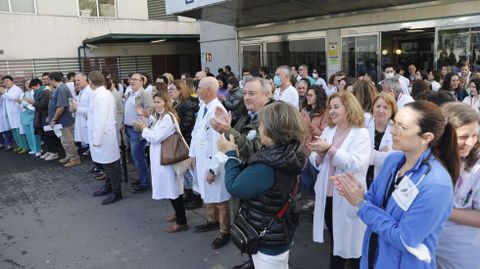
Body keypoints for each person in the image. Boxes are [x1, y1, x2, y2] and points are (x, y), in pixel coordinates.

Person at [333, 101, 459, 269]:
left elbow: (404, 238)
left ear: (427, 137)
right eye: (395, 123)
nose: (393, 131)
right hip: (373, 257)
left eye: (402, 127)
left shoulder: (436, 184)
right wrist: (358, 193)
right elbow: (371, 202)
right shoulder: (393, 161)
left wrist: (360, 203)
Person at [218, 101, 307, 269]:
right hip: (281, 232)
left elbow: (234, 187)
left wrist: (230, 155)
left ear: (273, 130)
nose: (259, 129)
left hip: (269, 241)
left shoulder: (267, 165)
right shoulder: (290, 152)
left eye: (262, 125)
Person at [309, 91, 371, 269]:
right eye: (330, 107)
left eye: (336, 107)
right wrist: (320, 155)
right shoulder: (329, 130)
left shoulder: (361, 134)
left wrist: (329, 149)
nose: (331, 111)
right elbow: (316, 161)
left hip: (348, 196)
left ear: (349, 108)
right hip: (328, 195)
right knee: (335, 241)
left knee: (353, 244)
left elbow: (355, 164)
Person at [133, 91, 188, 232]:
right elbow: (155, 127)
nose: (156, 104)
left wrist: (143, 129)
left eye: (159, 102)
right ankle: (178, 215)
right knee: (172, 188)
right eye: (155, 101)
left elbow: (156, 137)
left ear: (166, 102)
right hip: (161, 157)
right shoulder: (160, 116)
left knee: (173, 189)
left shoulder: (168, 118)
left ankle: (182, 222)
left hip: (167, 159)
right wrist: (146, 117)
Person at [189, 77, 231, 249]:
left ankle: (224, 231)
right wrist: (192, 155)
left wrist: (214, 170)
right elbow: (196, 132)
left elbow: (220, 146)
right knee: (207, 194)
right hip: (201, 159)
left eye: (198, 87)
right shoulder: (204, 107)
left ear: (208, 90)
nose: (196, 90)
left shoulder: (217, 110)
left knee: (220, 199)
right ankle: (212, 220)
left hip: (214, 163)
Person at [437, 102, 480, 269]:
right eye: (462, 137)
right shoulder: (432, 159)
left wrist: (442, 210)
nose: (469, 143)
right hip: (431, 248)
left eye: (474, 136)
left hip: (463, 255)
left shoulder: (476, 168)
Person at [88, 71, 123, 205]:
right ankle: (109, 187)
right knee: (108, 165)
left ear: (91, 82)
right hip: (105, 135)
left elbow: (100, 121)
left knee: (110, 165)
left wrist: (96, 140)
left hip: (103, 136)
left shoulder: (101, 96)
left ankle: (116, 192)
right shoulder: (103, 94)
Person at [168, 79, 202, 210]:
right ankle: (190, 195)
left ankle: (196, 198)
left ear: (180, 90)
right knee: (185, 171)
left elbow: (187, 125)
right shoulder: (177, 105)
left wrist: (173, 129)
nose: (169, 91)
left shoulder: (187, 105)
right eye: (169, 89)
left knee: (190, 172)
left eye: (172, 89)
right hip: (182, 141)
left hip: (187, 142)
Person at [124, 73, 154, 192]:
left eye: (135, 80)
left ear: (142, 81)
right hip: (129, 128)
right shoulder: (130, 93)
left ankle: (145, 182)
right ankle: (143, 178)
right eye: (131, 79)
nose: (132, 81)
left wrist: (143, 117)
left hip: (137, 130)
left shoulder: (145, 94)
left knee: (138, 156)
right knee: (135, 156)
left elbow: (150, 112)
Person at [47, 72, 81, 167]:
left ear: (53, 80)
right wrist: (50, 116)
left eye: (49, 80)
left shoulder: (61, 88)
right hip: (60, 120)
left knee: (68, 141)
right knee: (64, 140)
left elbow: (61, 107)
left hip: (63, 120)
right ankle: (69, 156)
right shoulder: (60, 88)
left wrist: (53, 119)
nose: (49, 83)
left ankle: (75, 158)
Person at [365, 93, 397, 189]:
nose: (381, 110)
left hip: (382, 180)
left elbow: (388, 160)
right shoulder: (364, 123)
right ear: (373, 108)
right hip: (362, 176)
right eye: (378, 106)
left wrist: (364, 152)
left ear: (392, 111)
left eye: (386, 107)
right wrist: (379, 153)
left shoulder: (396, 129)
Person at [1, 75, 29, 153]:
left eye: (7, 81)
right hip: (10, 115)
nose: (5, 82)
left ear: (12, 81)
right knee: (14, 131)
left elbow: (13, 97)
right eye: (4, 81)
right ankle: (20, 146)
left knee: (19, 131)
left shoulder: (17, 89)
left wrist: (3, 93)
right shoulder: (7, 90)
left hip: (17, 113)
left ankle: (25, 147)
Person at [19, 79, 41, 156]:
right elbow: (21, 104)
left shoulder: (34, 92)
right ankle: (32, 149)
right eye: (26, 83)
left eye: (29, 83)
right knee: (28, 133)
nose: (27, 85)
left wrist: (28, 104)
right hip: (25, 114)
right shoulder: (23, 94)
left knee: (34, 133)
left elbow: (35, 104)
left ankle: (38, 149)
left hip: (32, 113)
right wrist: (23, 105)